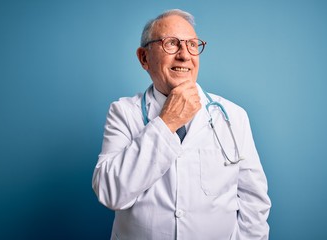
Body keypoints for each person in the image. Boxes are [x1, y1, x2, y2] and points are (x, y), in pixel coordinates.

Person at [92, 9, 271, 240]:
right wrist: (166, 122)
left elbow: (253, 203)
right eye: (171, 44)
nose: (185, 55)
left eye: (192, 45)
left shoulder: (233, 116)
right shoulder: (124, 112)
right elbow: (110, 192)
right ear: (144, 58)